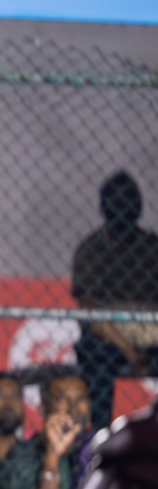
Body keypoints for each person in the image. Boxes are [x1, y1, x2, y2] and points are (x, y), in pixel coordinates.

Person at [71, 171, 158, 429]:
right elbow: (91, 314)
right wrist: (130, 352)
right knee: (95, 355)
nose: (123, 205)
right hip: (109, 334)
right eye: (116, 199)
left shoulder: (152, 248)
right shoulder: (90, 250)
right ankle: (99, 435)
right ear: (103, 206)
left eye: (129, 199)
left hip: (149, 329)